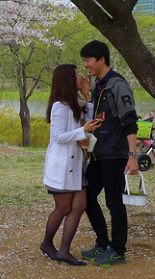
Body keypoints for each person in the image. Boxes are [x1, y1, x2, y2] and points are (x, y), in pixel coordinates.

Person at [79, 40, 139, 266]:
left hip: (115, 153)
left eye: (88, 60)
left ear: (101, 59)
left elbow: (130, 122)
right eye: (84, 60)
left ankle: (118, 250)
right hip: (99, 152)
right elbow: (97, 116)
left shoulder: (117, 85)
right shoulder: (99, 85)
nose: (86, 65)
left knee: (114, 203)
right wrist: (86, 93)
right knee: (86, 196)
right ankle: (102, 243)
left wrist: (132, 156)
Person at [41, 64, 102, 266]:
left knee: (79, 205)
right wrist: (81, 131)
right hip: (62, 165)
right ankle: (48, 243)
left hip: (77, 165)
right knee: (63, 207)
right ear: (68, 80)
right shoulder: (60, 106)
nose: (81, 77)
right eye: (76, 75)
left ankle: (64, 249)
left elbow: (90, 121)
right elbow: (57, 137)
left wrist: (87, 94)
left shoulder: (74, 102)